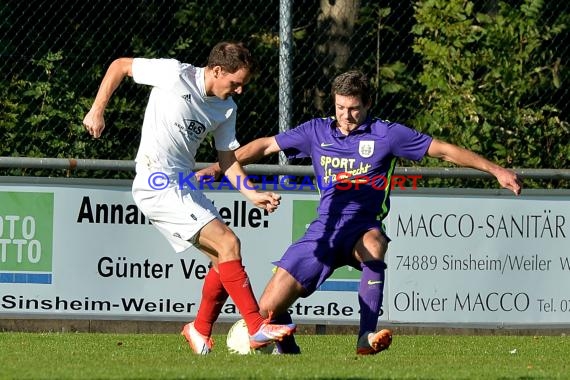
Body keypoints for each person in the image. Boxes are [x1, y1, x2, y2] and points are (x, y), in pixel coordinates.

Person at [197, 70, 523, 355]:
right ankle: (289, 349)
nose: (346, 116)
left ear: (367, 104)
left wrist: (496, 170)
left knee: (375, 242)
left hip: (362, 229)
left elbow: (445, 151)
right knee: (267, 311)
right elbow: (265, 145)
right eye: (340, 107)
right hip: (323, 233)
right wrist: (218, 167)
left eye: (354, 109)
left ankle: (366, 335)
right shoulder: (316, 131)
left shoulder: (388, 134)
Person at [82, 41, 296, 355]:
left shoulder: (226, 109)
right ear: (218, 70)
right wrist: (97, 109)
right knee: (229, 244)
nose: (239, 90)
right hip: (156, 182)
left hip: (183, 184)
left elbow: (227, 159)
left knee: (223, 261)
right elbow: (120, 65)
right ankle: (256, 327)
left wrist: (251, 193)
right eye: (235, 83)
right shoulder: (173, 73)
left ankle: (199, 329)